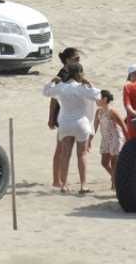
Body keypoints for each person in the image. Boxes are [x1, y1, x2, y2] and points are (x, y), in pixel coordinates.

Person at [43, 61, 98, 193]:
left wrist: (51, 81)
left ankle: (64, 184)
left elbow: (46, 92)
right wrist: (90, 84)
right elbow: (97, 95)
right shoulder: (81, 88)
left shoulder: (61, 87)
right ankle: (83, 185)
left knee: (65, 155)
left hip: (66, 124)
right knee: (82, 154)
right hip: (81, 124)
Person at [48, 48, 82, 188]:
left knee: (64, 149)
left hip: (69, 114)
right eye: (76, 58)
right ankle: (57, 180)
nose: (79, 60)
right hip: (63, 115)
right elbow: (53, 99)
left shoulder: (72, 73)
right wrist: (51, 118)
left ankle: (61, 178)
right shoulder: (62, 75)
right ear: (68, 60)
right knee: (61, 148)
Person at [93, 90, 126, 191]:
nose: (96, 100)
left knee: (114, 163)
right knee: (104, 163)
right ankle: (118, 178)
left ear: (104, 99)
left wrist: (128, 139)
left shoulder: (112, 111)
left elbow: (123, 125)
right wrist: (88, 141)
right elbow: (94, 127)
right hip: (106, 139)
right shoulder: (98, 112)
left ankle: (114, 185)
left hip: (115, 138)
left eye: (98, 98)